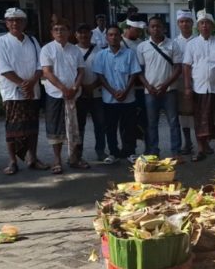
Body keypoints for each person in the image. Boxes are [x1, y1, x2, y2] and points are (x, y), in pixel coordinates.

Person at [0, 8, 47, 175]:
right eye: (11, 20)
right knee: (13, 127)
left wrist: (32, 83)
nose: (14, 23)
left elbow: (41, 64)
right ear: (6, 23)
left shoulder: (32, 40)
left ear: (24, 23)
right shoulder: (1, 42)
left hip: (33, 90)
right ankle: (13, 161)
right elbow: (4, 68)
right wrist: (24, 85)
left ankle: (33, 158)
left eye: (18, 20)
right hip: (12, 92)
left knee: (32, 127)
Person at [40, 18, 87, 174]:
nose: (59, 32)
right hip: (55, 94)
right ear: (52, 32)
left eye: (62, 29)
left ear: (69, 32)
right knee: (56, 128)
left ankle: (75, 158)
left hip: (74, 94)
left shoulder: (75, 50)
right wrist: (63, 89)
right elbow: (47, 72)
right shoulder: (47, 49)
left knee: (76, 126)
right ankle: (57, 159)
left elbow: (81, 72)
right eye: (56, 29)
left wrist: (74, 88)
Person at [182, 10, 215, 162]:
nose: (205, 26)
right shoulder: (192, 44)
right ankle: (201, 150)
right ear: (198, 26)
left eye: (207, 23)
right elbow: (186, 66)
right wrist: (187, 87)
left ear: (212, 26)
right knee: (200, 120)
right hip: (199, 89)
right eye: (202, 23)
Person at [92, 24, 142, 162]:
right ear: (106, 38)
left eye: (116, 35)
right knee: (111, 127)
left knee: (129, 126)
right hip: (109, 98)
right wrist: (113, 92)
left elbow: (134, 74)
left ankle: (130, 152)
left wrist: (125, 91)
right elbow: (100, 76)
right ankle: (113, 152)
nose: (113, 37)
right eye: (110, 35)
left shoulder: (129, 53)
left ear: (121, 37)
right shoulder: (101, 55)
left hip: (128, 98)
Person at [136, 16, 183, 161]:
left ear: (164, 28)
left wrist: (166, 85)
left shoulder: (173, 45)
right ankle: (153, 152)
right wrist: (148, 86)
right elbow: (139, 71)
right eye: (153, 26)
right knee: (151, 123)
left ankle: (176, 152)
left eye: (158, 26)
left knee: (174, 122)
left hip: (169, 91)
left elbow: (178, 68)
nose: (155, 29)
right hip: (150, 92)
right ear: (148, 29)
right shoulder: (142, 47)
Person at [75, 23, 107, 161]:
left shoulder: (100, 51)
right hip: (79, 94)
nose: (83, 35)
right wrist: (82, 86)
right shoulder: (72, 51)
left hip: (97, 93)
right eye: (80, 32)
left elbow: (105, 72)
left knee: (100, 124)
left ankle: (100, 151)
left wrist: (93, 86)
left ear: (91, 34)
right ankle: (77, 153)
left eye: (86, 32)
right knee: (79, 125)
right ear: (76, 35)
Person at [120, 15, 146, 159]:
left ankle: (146, 146)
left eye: (140, 31)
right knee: (125, 120)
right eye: (137, 30)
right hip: (125, 88)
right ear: (128, 28)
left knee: (142, 119)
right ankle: (127, 148)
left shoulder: (142, 44)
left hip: (141, 87)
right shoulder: (120, 44)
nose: (139, 33)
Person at [174, 9, 197, 155]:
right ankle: (187, 142)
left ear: (192, 23)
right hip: (181, 82)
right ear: (178, 24)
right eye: (182, 22)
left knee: (199, 113)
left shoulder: (198, 40)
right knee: (183, 114)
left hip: (198, 81)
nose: (185, 24)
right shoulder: (174, 43)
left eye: (187, 21)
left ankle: (202, 142)